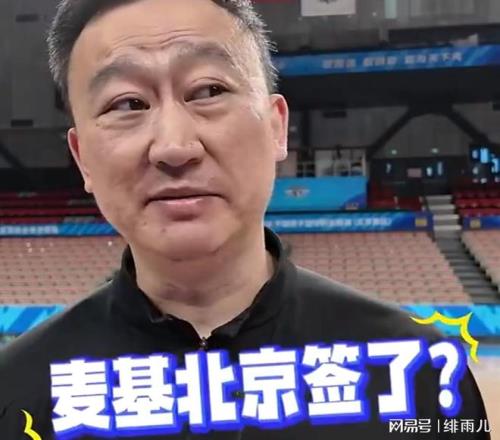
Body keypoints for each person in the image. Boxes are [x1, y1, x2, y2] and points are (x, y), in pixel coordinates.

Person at [0, 0, 490, 438]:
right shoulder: (17, 392)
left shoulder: (418, 374)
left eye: (208, 90)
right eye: (127, 104)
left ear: (277, 127)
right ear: (82, 157)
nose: (174, 146)